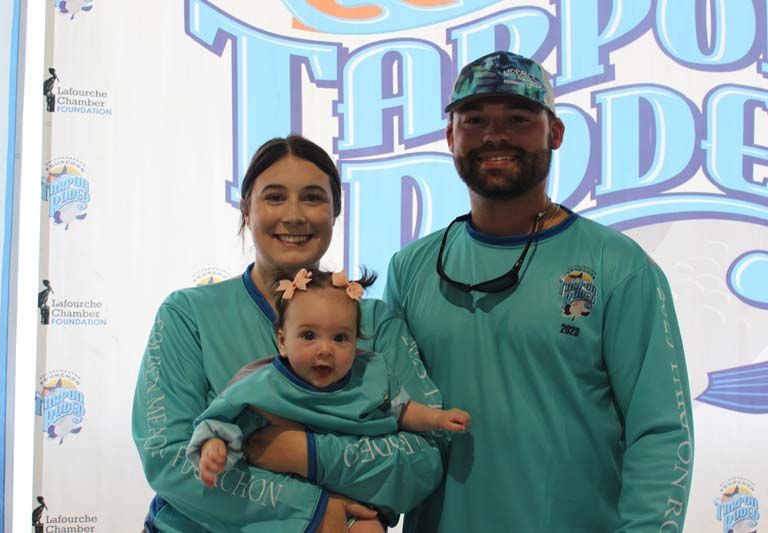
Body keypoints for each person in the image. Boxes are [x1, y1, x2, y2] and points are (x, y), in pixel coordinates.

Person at [384, 51, 694, 532]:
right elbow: (386, 416)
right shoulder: (410, 269)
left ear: (555, 133)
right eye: (475, 119)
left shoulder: (618, 266)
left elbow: (661, 431)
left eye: (518, 118)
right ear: (450, 137)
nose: (495, 135)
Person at [132, 135, 447, 533]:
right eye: (275, 197)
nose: (294, 215)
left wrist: (305, 454)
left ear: (335, 211)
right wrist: (314, 512)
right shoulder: (187, 316)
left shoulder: (376, 324)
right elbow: (169, 457)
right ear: (246, 210)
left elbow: (425, 458)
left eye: (313, 198)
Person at [188, 268, 470, 532]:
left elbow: (404, 410)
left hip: (360, 495)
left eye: (340, 338)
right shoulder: (264, 385)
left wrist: (436, 419)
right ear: (283, 341)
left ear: (357, 342)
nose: (325, 349)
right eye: (309, 336)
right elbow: (226, 419)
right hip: (292, 498)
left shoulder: (369, 376)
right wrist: (214, 445)